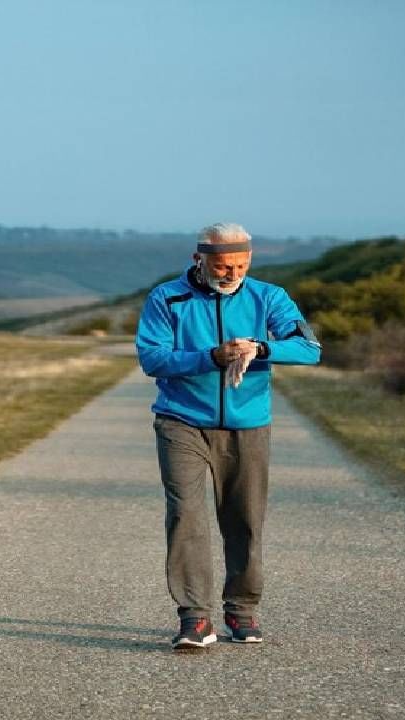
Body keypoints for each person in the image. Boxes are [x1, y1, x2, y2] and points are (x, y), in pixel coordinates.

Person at [135, 222, 321, 650]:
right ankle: (195, 619)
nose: (231, 273)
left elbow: (310, 349)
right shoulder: (167, 298)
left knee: (245, 520)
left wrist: (262, 347)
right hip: (181, 421)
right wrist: (211, 357)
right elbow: (152, 356)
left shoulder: (268, 297)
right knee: (186, 515)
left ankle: (241, 609)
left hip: (248, 424)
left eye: (239, 264)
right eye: (221, 265)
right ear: (199, 259)